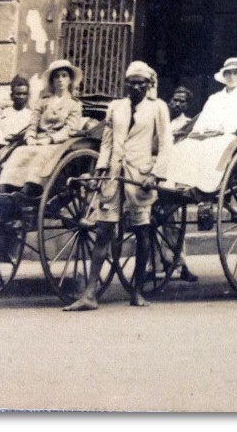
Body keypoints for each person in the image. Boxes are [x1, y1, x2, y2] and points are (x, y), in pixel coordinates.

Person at [64, 61, 173, 311]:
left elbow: (166, 143)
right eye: (131, 82)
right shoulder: (116, 107)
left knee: (142, 231)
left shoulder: (158, 108)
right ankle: (90, 294)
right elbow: (108, 140)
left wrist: (155, 175)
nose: (135, 86)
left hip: (140, 175)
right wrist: (102, 167)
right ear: (126, 84)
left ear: (148, 85)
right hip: (114, 175)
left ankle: (137, 291)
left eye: (140, 83)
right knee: (103, 231)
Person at [159, 58, 237, 195]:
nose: (232, 77)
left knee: (213, 146)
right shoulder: (215, 98)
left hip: (232, 136)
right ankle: (179, 182)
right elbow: (203, 119)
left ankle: (204, 186)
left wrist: (225, 130)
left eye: (236, 73)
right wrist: (201, 131)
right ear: (223, 76)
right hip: (209, 133)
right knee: (184, 146)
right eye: (228, 73)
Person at [0, 60, 84, 198]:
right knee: (20, 151)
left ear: (70, 80)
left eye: (64, 76)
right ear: (51, 80)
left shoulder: (74, 105)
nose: (60, 80)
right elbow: (33, 123)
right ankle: (5, 188)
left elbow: (69, 129)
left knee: (41, 153)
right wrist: (30, 137)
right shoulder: (43, 101)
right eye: (57, 76)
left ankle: (30, 188)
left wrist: (50, 139)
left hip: (58, 144)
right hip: (37, 140)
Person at [167, 85, 198, 282]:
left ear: (187, 105)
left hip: (175, 171)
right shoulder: (161, 121)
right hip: (157, 168)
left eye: (182, 101)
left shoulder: (188, 125)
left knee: (174, 221)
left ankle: (180, 263)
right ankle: (155, 264)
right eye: (175, 100)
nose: (177, 104)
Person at [0, 75, 32, 146]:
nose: (21, 97)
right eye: (18, 94)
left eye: (24, 94)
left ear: (28, 96)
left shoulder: (32, 116)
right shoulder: (2, 114)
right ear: (12, 96)